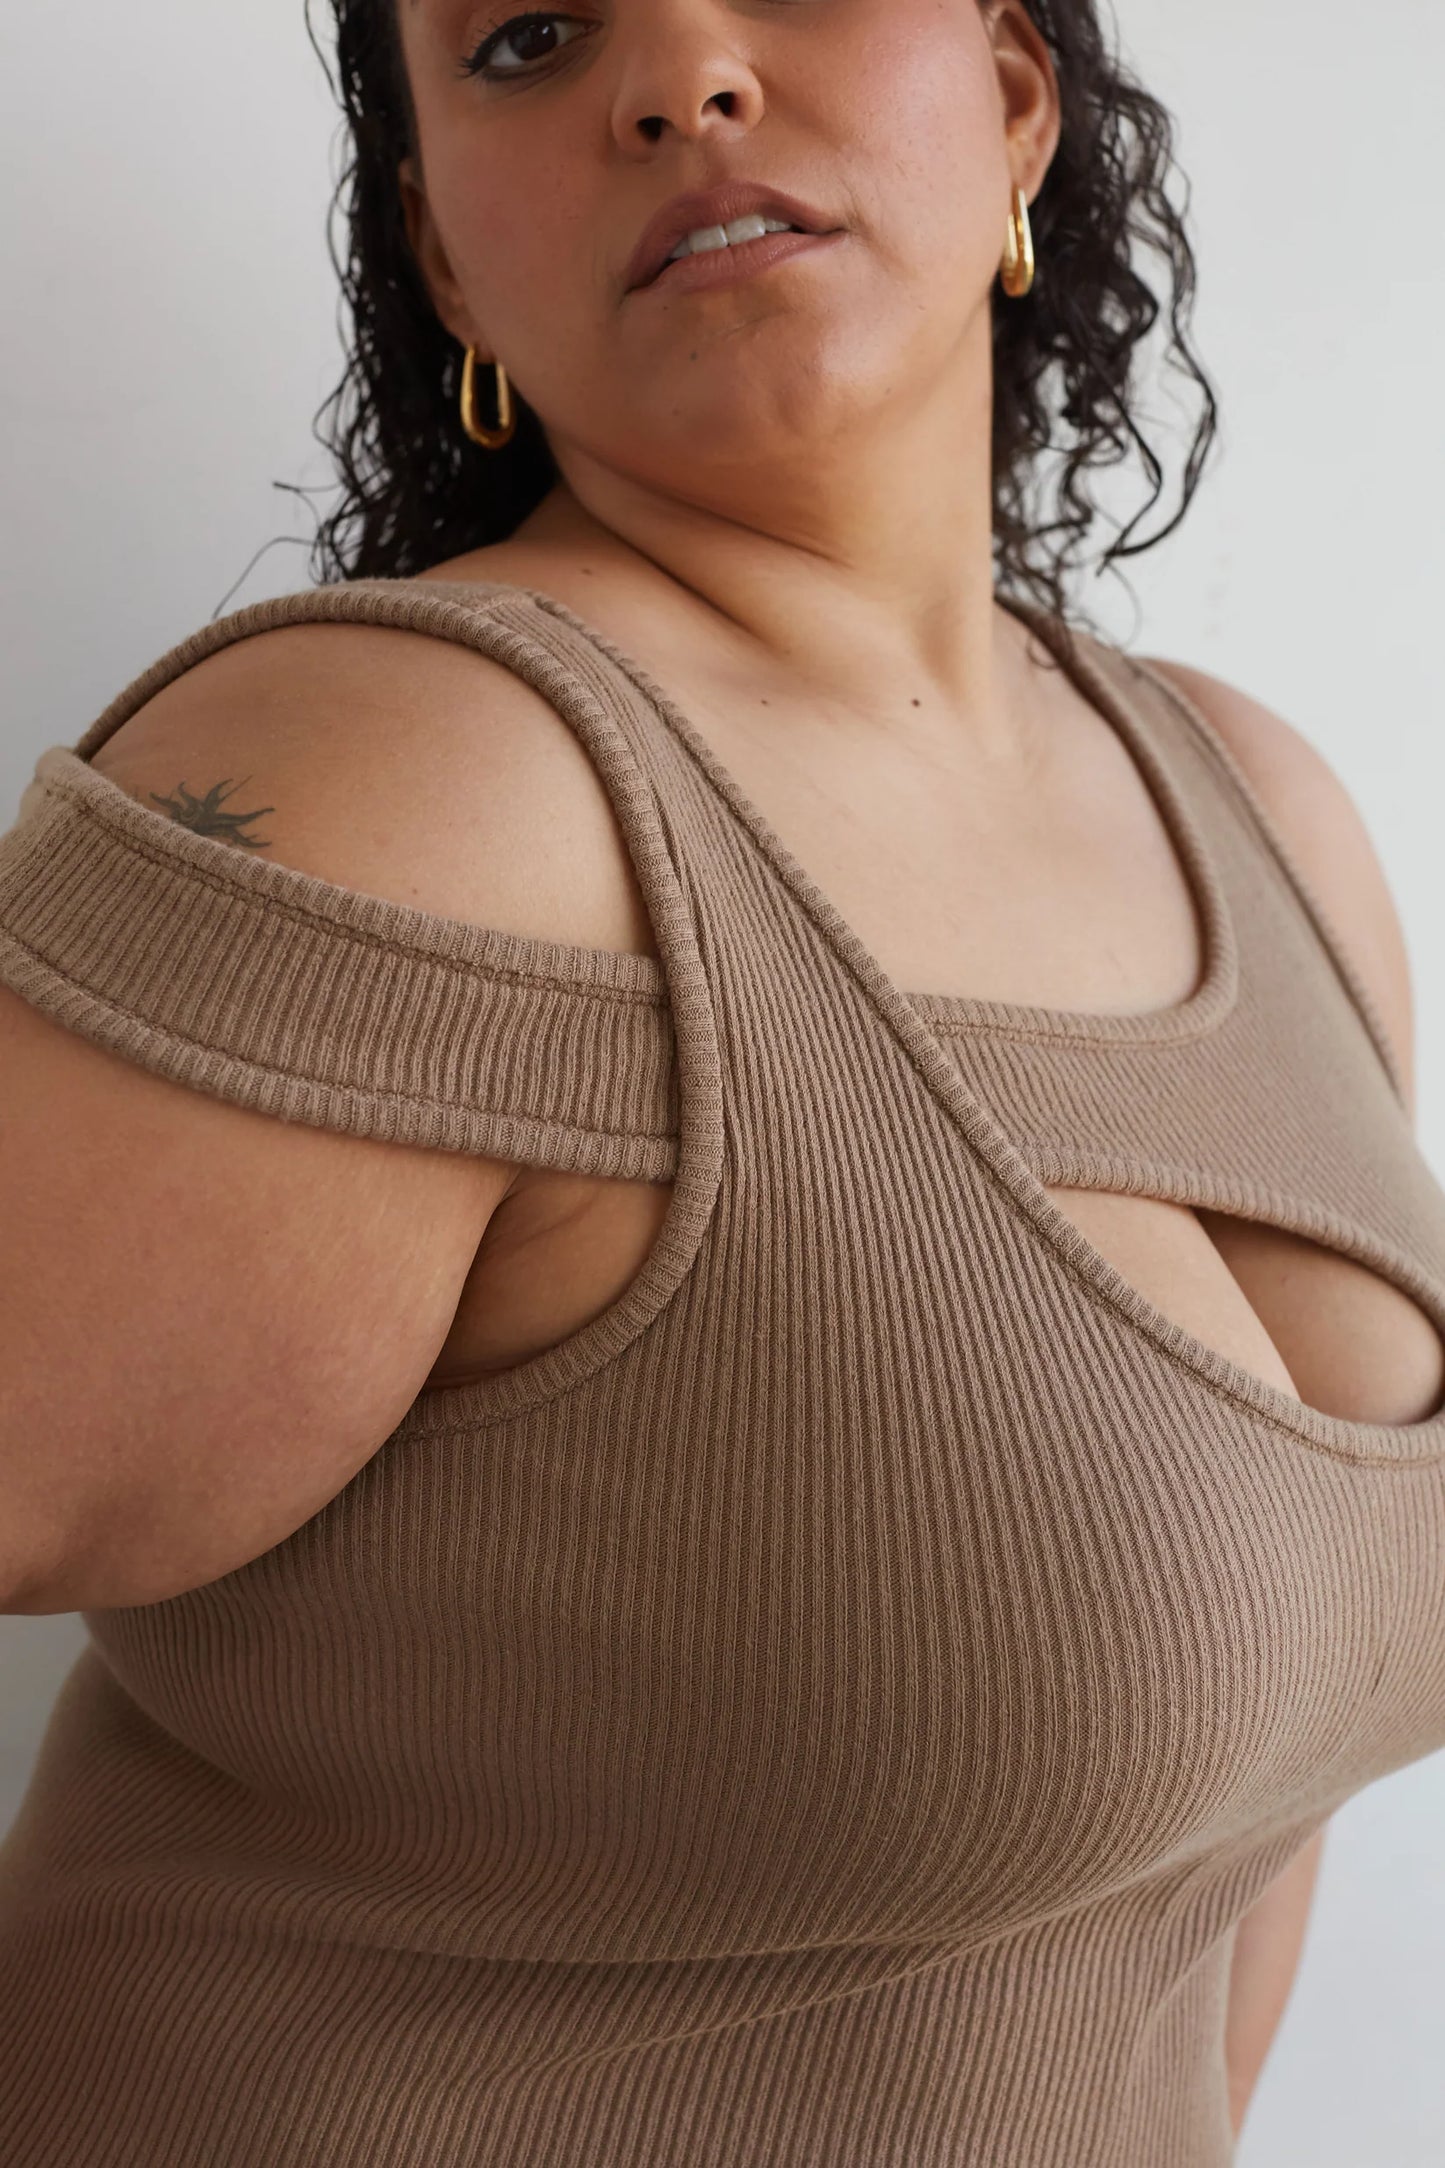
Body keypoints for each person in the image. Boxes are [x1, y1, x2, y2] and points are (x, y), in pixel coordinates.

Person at [1, 3, 1442, 2162]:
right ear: (450, 264)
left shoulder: (1257, 808)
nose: (679, 76)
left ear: (1020, 99)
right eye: (526, 39)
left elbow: (1231, 1833)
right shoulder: (415, 790)